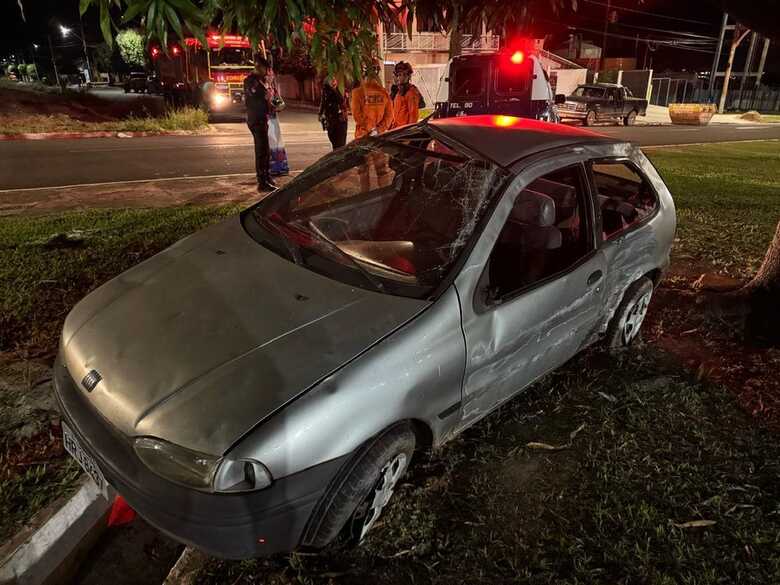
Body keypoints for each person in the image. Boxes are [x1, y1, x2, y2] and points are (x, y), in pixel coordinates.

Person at [243, 56, 275, 192]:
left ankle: (267, 176)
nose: (267, 72)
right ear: (259, 67)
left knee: (266, 151)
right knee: (261, 151)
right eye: (265, 69)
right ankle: (262, 181)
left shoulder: (261, 81)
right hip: (256, 119)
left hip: (263, 118)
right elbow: (254, 94)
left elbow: (270, 98)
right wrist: (265, 90)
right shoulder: (250, 81)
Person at [350, 60, 393, 140]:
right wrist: (377, 130)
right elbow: (389, 116)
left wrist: (368, 129)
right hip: (379, 137)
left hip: (362, 136)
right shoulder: (384, 93)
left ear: (363, 72)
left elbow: (357, 115)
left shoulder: (357, 93)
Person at [266, 67, 290, 176]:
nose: (271, 76)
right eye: (269, 74)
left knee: (277, 141)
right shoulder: (263, 88)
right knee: (270, 142)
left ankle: (280, 167)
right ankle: (271, 168)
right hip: (266, 119)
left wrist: (278, 106)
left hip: (274, 118)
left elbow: (280, 102)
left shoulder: (273, 88)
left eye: (272, 75)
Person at [389, 61, 422, 129]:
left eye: (404, 74)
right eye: (399, 74)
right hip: (397, 130)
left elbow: (413, 116)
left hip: (404, 131)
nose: (402, 77)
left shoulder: (411, 92)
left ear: (409, 76)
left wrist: (409, 134)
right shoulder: (398, 91)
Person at [318, 77, 349, 149]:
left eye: (334, 81)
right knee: (335, 143)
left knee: (340, 144)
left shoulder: (340, 90)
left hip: (341, 120)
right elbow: (323, 103)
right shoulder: (326, 92)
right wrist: (320, 113)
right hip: (331, 120)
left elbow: (341, 101)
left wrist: (334, 90)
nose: (334, 82)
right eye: (332, 81)